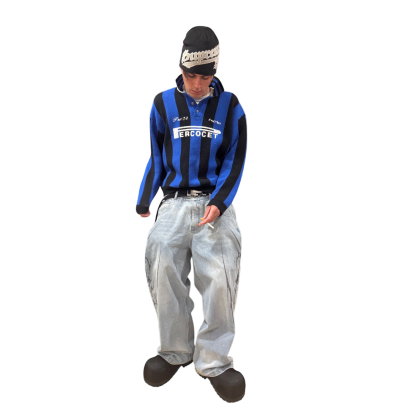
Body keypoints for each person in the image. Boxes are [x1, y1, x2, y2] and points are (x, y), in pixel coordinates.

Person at [136, 26, 248, 403]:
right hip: (173, 202)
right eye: (191, 76)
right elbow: (156, 154)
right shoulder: (161, 104)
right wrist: (144, 199)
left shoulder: (231, 107)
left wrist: (221, 201)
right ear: (181, 70)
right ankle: (174, 350)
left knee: (220, 273)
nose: (198, 84)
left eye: (205, 77)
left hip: (216, 202)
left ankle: (215, 361)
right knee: (161, 261)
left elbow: (236, 159)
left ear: (214, 73)